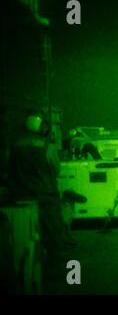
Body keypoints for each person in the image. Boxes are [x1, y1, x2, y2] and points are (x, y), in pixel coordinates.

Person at [9, 111, 66, 278]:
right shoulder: (47, 147)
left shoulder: (15, 146)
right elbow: (56, 170)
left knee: (24, 237)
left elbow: (10, 170)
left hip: (21, 199)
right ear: (43, 128)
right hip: (46, 199)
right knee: (54, 234)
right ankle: (62, 275)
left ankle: (27, 271)